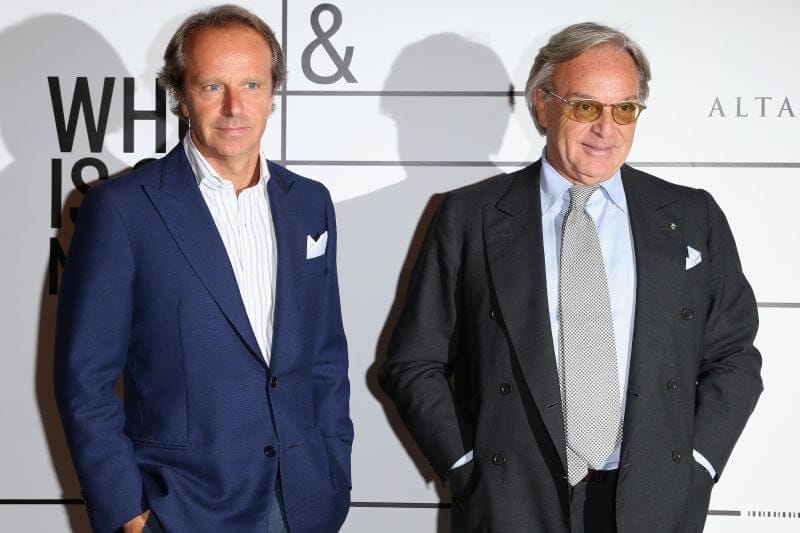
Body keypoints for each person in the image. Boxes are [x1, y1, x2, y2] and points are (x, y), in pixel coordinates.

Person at [379, 22, 762, 532]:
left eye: (624, 109)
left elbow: (734, 356)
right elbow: (413, 363)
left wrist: (697, 466)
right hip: (512, 504)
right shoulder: (469, 217)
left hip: (654, 505)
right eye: (585, 107)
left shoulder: (693, 216)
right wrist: (466, 468)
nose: (607, 128)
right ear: (543, 105)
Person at [53, 5, 352, 532]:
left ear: (272, 93)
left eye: (252, 85)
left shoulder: (310, 204)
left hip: (304, 503)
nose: (235, 107)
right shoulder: (123, 209)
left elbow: (325, 356)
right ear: (180, 95)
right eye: (212, 86)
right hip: (182, 508)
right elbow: (85, 379)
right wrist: (128, 512)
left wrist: (334, 475)